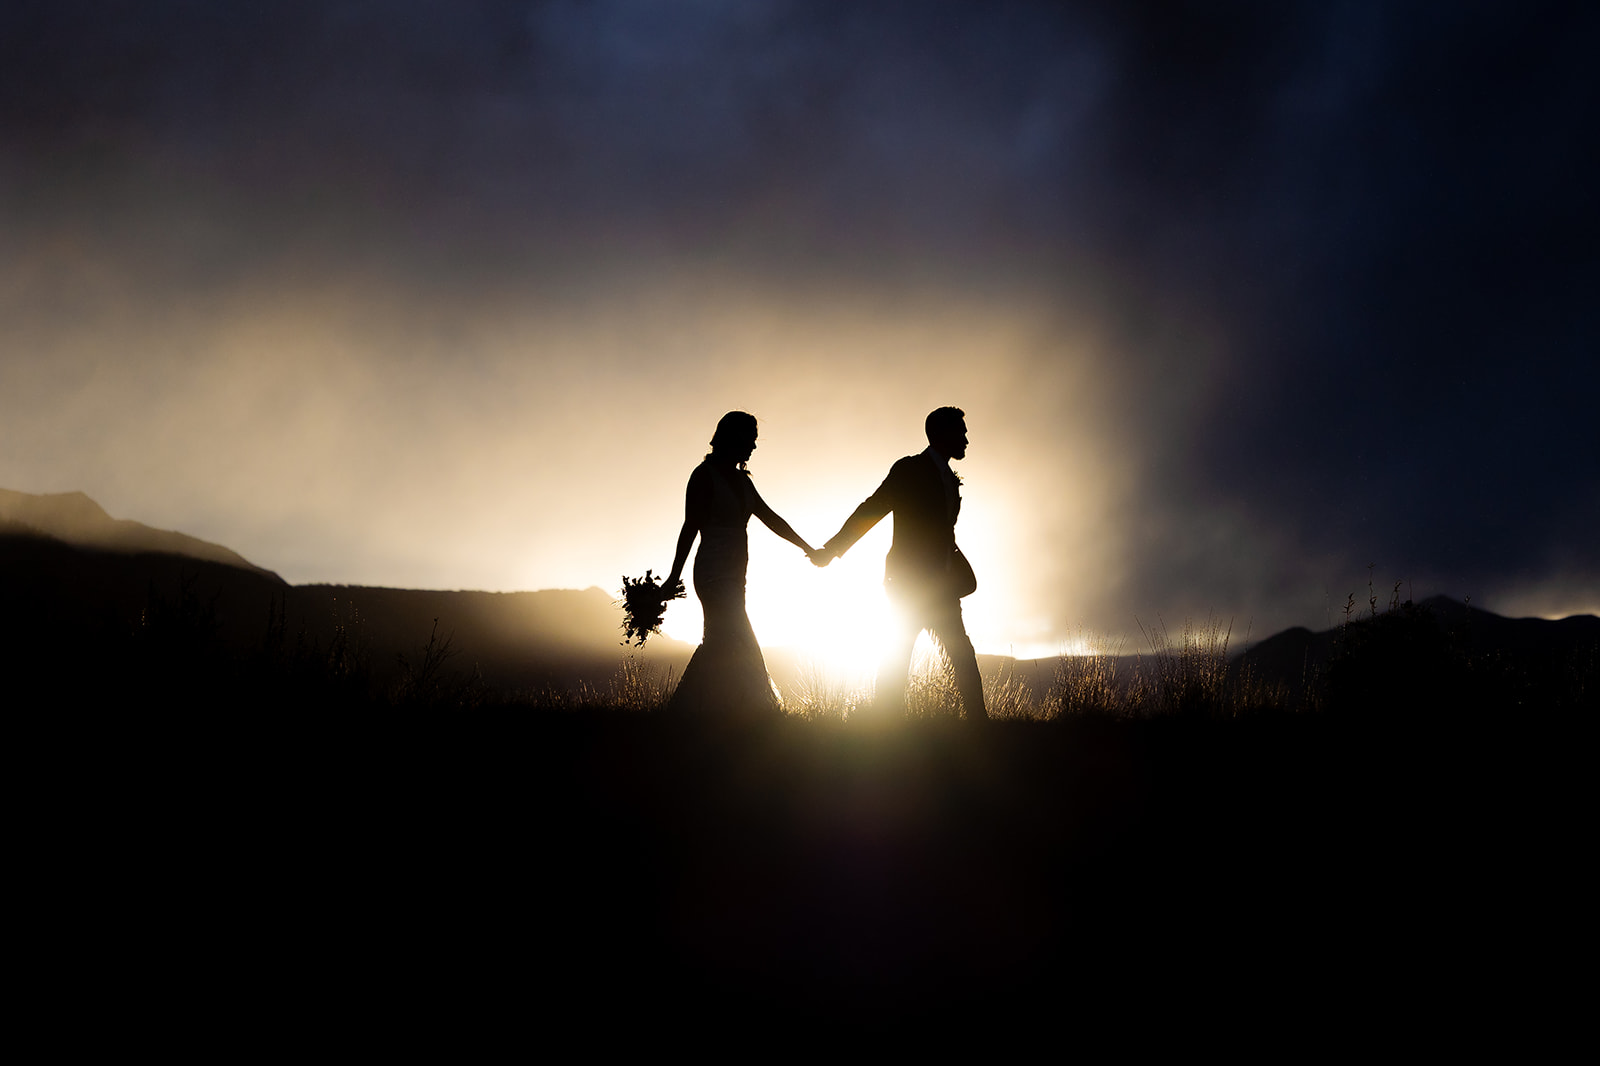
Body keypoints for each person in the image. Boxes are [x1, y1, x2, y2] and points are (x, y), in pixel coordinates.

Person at [810, 406, 987, 721]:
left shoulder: (949, 478)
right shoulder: (909, 470)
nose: (966, 439)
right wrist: (833, 548)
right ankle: (887, 726)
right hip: (908, 585)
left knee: (962, 657)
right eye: (961, 432)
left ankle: (980, 727)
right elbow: (873, 508)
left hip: (943, 587)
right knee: (897, 657)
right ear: (943, 435)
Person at [661, 412, 817, 719]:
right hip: (712, 572)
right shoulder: (704, 476)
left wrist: (808, 548)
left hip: (736, 575)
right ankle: (739, 711)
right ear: (733, 438)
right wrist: (673, 577)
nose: (755, 446)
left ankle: (707, 711)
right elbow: (690, 527)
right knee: (735, 636)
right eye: (751, 438)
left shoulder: (743, 482)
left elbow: (771, 518)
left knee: (722, 640)